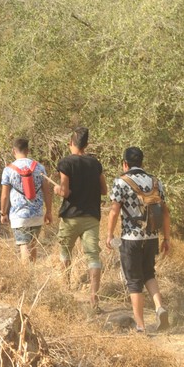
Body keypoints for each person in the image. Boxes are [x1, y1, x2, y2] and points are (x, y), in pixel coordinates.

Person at [106, 147, 171, 333]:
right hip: (151, 236)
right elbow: (165, 213)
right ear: (142, 162)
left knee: (134, 280)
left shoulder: (121, 182)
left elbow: (114, 210)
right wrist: (166, 238)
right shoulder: (156, 182)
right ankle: (160, 307)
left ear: (125, 163)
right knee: (149, 273)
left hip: (130, 238)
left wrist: (110, 235)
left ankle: (140, 326)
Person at [54, 127, 107, 312]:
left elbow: (64, 191)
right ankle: (94, 298)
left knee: (65, 254)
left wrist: (57, 190)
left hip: (70, 217)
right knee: (93, 256)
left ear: (71, 143)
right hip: (91, 217)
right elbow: (104, 190)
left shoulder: (65, 163)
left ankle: (65, 291)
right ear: (87, 145)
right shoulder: (95, 163)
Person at [0, 138, 53, 263]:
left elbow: (4, 196)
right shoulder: (39, 168)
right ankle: (32, 272)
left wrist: (3, 213)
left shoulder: (8, 170)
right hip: (37, 214)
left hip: (19, 215)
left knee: (24, 245)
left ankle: (27, 276)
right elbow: (47, 192)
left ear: (14, 151)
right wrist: (49, 211)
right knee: (33, 243)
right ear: (28, 150)